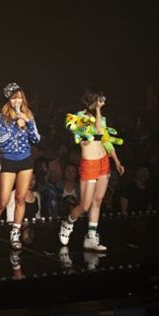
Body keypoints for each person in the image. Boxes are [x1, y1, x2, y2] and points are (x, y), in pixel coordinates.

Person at [0, 83, 40, 250]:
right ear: (8, 100)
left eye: (19, 97)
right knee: (2, 201)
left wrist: (28, 123)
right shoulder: (1, 117)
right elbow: (1, 140)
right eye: (13, 98)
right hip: (9, 161)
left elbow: (36, 139)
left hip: (25, 161)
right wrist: (15, 126)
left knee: (20, 198)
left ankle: (15, 233)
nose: (17, 100)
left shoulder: (28, 115)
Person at [59, 89, 125, 251]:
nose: (101, 102)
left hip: (104, 162)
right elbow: (97, 132)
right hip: (89, 163)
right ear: (91, 101)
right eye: (98, 100)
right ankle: (68, 222)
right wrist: (97, 111)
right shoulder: (78, 117)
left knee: (98, 201)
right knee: (85, 205)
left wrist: (116, 160)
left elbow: (105, 139)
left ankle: (91, 237)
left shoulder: (101, 118)